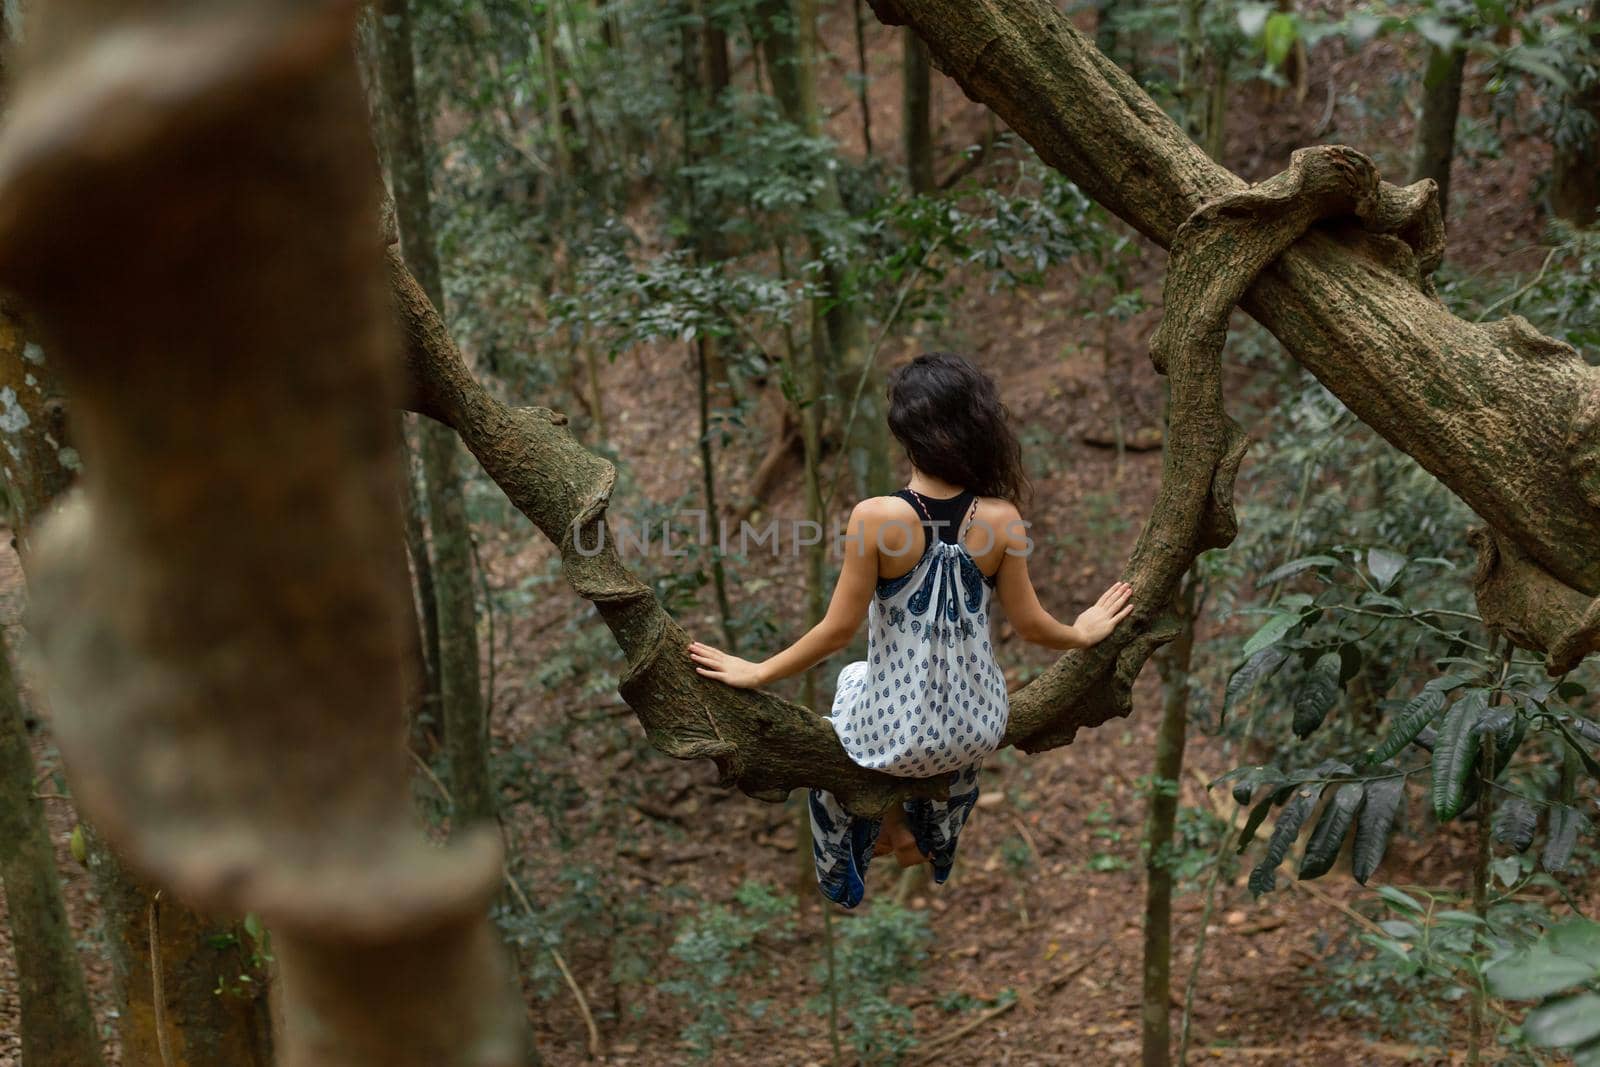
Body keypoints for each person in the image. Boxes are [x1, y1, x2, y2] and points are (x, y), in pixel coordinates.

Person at [687, 352, 1134, 907]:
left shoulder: (875, 518)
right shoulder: (1002, 519)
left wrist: (758, 671)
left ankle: (877, 825)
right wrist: (1083, 630)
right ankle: (914, 830)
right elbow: (1034, 627)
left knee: (854, 678)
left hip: (895, 735)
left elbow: (836, 630)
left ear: (905, 432)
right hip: (977, 728)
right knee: (897, 702)